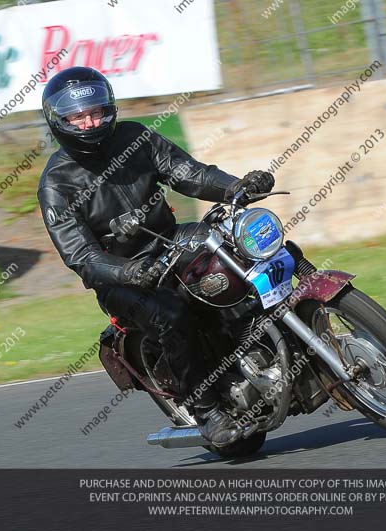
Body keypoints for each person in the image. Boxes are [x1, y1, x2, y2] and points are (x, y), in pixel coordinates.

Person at [37, 67, 274, 447]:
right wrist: (128, 270)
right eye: (78, 117)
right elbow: (80, 254)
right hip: (119, 275)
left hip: (169, 240)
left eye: (96, 111)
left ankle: (275, 339)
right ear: (60, 121)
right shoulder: (57, 184)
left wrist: (236, 187)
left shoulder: (134, 138)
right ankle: (207, 411)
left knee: (242, 249)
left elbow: (187, 173)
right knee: (171, 314)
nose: (90, 122)